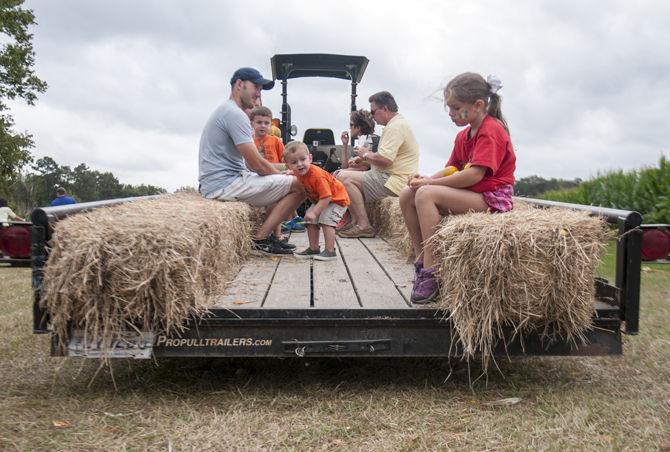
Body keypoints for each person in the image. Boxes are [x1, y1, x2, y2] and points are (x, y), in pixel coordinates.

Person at [399, 73, 516, 304]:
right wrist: (424, 178)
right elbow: (453, 168)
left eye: (456, 108)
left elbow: (474, 175)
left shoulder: (491, 131)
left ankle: (434, 271)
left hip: (492, 197)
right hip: (473, 193)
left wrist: (429, 184)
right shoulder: (463, 135)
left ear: (478, 105)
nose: (451, 114)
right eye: (449, 108)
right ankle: (422, 261)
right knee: (407, 195)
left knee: (425, 194)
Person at [198, 67, 306, 256]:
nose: (258, 93)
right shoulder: (235, 114)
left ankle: (269, 236)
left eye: (261, 89)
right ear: (239, 85)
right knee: (303, 184)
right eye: (255, 86)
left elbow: (250, 165)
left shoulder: (228, 111)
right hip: (224, 185)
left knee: (283, 183)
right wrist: (282, 174)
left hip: (221, 182)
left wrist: (280, 175)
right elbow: (256, 164)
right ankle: (261, 238)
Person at [336, 91, 419, 238]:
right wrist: (365, 159)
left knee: (343, 177)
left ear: (385, 109)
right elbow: (388, 159)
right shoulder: (398, 124)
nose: (372, 116)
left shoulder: (395, 127)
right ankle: (355, 221)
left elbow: (386, 160)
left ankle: (363, 225)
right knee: (343, 176)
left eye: (373, 112)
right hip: (393, 177)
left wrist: (365, 154)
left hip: (393, 181)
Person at [283, 142, 349, 261]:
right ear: (288, 165)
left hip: (336, 199)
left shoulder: (317, 175)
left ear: (310, 158)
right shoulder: (299, 172)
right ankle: (313, 249)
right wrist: (291, 172)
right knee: (310, 221)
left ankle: (330, 251)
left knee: (326, 221)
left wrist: (314, 212)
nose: (299, 164)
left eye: (303, 159)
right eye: (294, 162)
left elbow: (327, 196)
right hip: (322, 199)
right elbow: (297, 171)